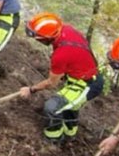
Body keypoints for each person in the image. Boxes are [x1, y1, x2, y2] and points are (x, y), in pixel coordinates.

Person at [17, 12, 102, 141]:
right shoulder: (67, 29)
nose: (36, 39)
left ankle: (53, 141)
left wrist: (30, 89)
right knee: (70, 105)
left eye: (37, 37)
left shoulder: (61, 54)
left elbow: (51, 83)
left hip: (87, 84)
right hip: (79, 77)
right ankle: (70, 134)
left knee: (52, 107)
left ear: (46, 38)